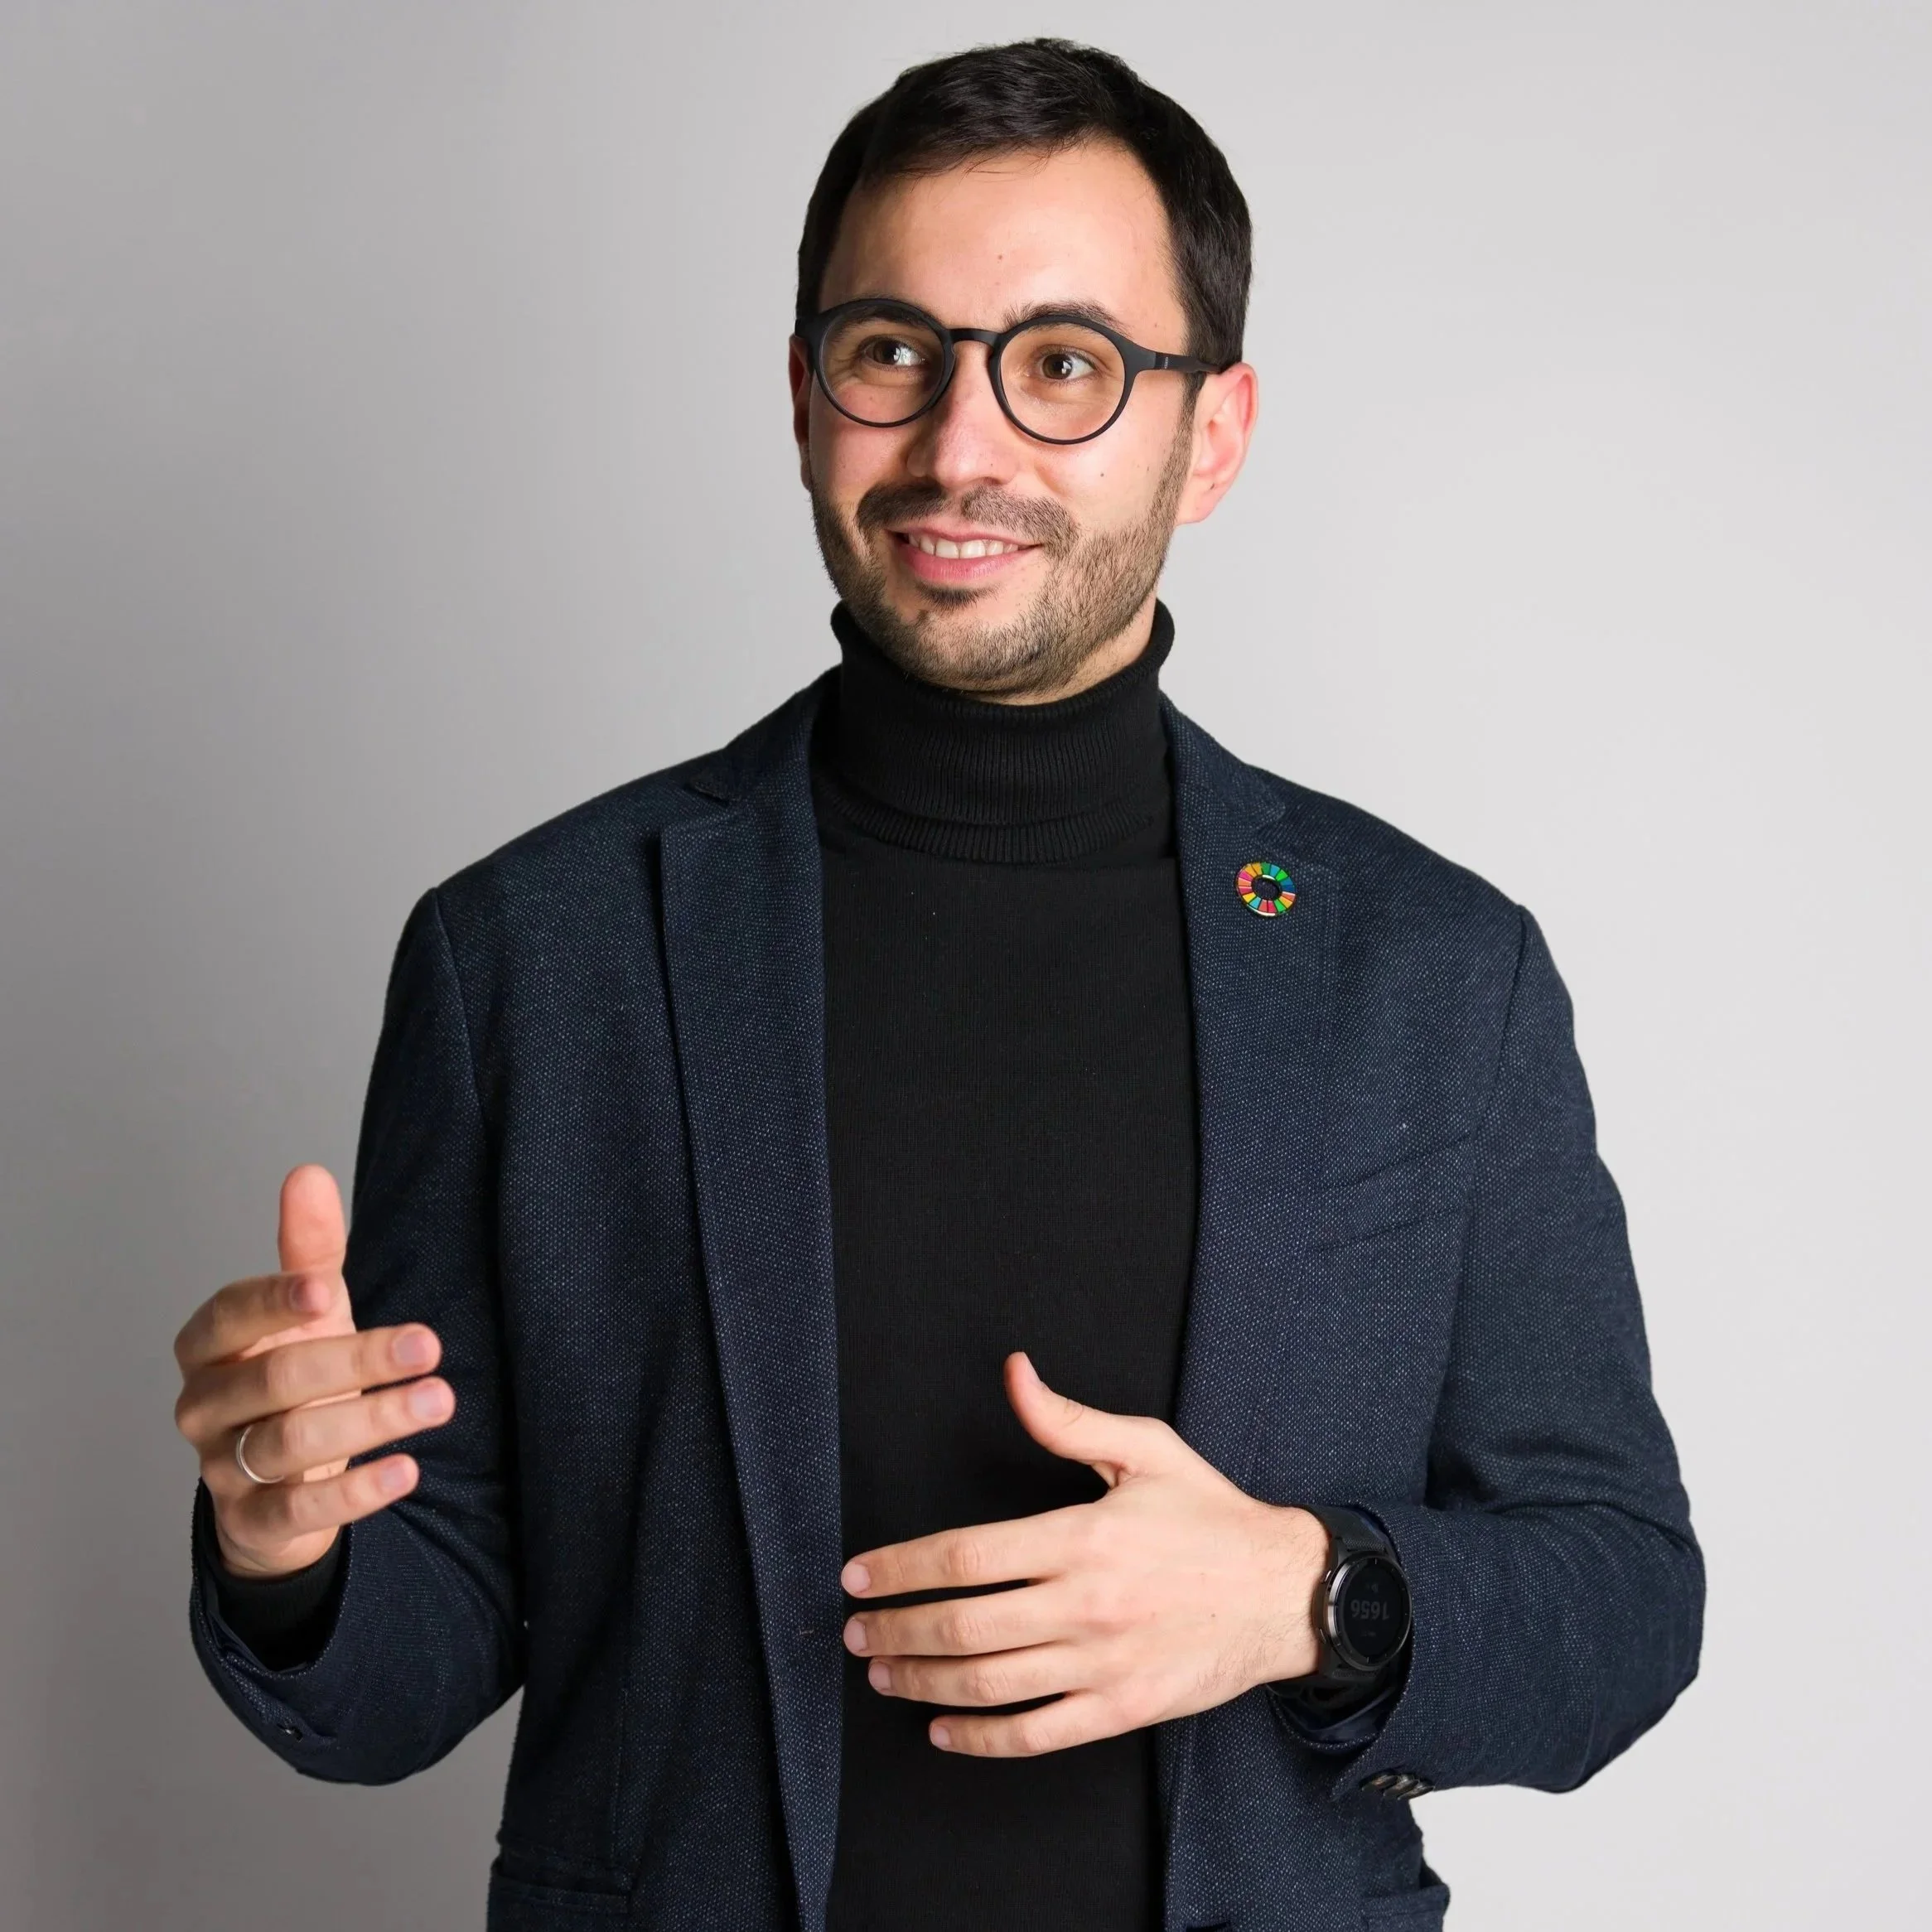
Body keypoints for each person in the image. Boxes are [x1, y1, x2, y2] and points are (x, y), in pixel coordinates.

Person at [171, 37, 1703, 1932]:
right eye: (892, 348)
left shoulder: (1431, 975)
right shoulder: (530, 956)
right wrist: (287, 1544)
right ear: (803, 395)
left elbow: (1618, 1597)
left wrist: (1304, 1592)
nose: (960, 445)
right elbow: (408, 1666)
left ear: (1207, 433)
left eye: (1063, 363)